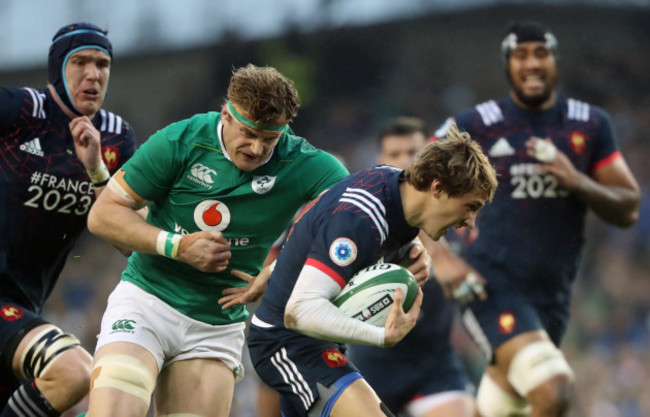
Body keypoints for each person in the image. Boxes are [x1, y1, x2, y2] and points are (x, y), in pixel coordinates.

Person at [83, 64, 354, 417]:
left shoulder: (306, 163)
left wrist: (277, 269)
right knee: (116, 407)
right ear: (226, 114)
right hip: (147, 302)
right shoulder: (179, 141)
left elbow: (360, 215)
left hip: (217, 325)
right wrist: (177, 246)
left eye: (269, 139)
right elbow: (103, 215)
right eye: (248, 133)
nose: (257, 148)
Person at [433, 21, 641, 417]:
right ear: (507, 64)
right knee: (553, 389)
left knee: (506, 405)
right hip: (489, 282)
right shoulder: (477, 123)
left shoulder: (590, 124)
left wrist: (577, 179)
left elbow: (627, 207)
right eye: (520, 55)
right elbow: (409, 183)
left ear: (554, 61)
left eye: (540, 53)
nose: (532, 64)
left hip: (553, 296)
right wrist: (443, 260)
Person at [247, 123, 498, 417]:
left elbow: (319, 228)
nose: (469, 222)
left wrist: (411, 251)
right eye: (469, 207)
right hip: (286, 344)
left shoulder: (397, 193)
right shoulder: (362, 219)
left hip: (320, 344)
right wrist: (382, 337)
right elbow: (299, 311)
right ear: (437, 187)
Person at [0, 23, 136, 417]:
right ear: (58, 68)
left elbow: (130, 239)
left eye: (102, 63)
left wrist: (96, 170)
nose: (93, 74)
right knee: (73, 372)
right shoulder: (21, 111)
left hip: (26, 304)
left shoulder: (114, 137)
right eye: (80, 62)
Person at [348, 117, 479, 417]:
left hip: (434, 363)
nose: (405, 161)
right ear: (381, 161)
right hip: (373, 361)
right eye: (395, 155)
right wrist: (440, 258)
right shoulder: (366, 214)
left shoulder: (457, 215)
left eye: (413, 152)